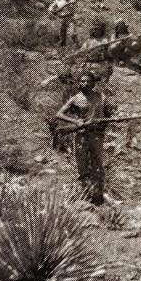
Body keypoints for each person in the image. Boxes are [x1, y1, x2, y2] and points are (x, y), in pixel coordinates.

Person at [56, 72, 115, 204]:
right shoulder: (75, 99)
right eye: (82, 81)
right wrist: (76, 122)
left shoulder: (101, 97)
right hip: (81, 135)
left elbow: (109, 113)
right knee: (82, 165)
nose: (85, 84)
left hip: (97, 136)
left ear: (94, 83)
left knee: (98, 165)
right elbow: (59, 114)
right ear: (79, 83)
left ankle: (100, 196)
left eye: (88, 81)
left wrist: (105, 122)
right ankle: (85, 197)